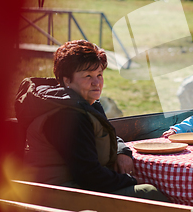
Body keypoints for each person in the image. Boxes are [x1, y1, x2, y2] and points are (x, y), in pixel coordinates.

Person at [15, 40, 168, 202]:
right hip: (60, 194)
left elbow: (108, 134)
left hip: (80, 188)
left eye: (99, 75)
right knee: (148, 193)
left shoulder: (85, 104)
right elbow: (89, 176)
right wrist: (133, 181)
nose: (97, 83)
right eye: (88, 76)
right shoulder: (68, 116)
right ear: (67, 80)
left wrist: (122, 152)